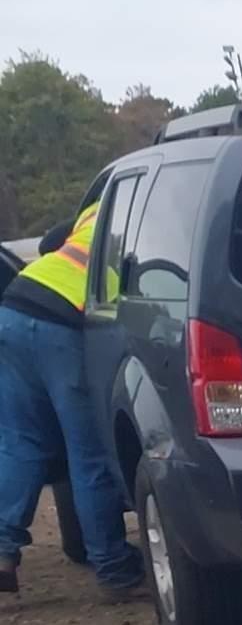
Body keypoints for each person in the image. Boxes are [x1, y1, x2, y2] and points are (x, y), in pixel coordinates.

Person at [0, 200, 145, 597]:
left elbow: (52, 239)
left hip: (17, 301)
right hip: (66, 322)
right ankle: (114, 567)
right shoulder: (165, 200)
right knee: (90, 451)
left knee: (20, 441)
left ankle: (1, 550)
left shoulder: (107, 198)